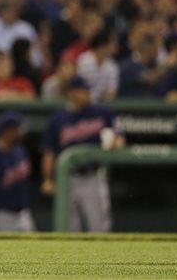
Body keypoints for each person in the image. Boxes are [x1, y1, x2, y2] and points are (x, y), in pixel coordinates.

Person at [41, 76, 125, 232]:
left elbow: (119, 136)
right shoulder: (58, 119)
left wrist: (117, 142)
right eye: (82, 91)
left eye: (87, 91)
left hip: (93, 175)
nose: (86, 94)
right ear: (71, 93)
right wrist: (48, 179)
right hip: (67, 178)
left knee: (99, 227)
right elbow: (49, 152)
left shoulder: (102, 112)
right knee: (68, 228)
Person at [77, 29, 119, 102]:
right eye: (112, 43)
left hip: (100, 107)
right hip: (83, 104)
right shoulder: (83, 60)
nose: (115, 46)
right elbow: (78, 88)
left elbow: (111, 91)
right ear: (102, 45)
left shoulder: (112, 66)